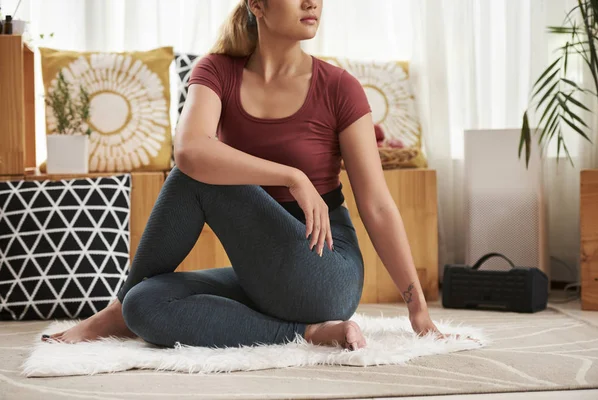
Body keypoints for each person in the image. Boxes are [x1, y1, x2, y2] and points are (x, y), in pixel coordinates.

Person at [42, 0, 464, 350]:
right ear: (256, 4)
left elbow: (376, 203)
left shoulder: (339, 87)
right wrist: (293, 177)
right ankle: (307, 333)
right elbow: (188, 148)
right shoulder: (217, 71)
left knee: (194, 177)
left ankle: (113, 311)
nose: (311, 1)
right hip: (262, 271)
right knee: (146, 303)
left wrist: (418, 307)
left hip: (325, 271)